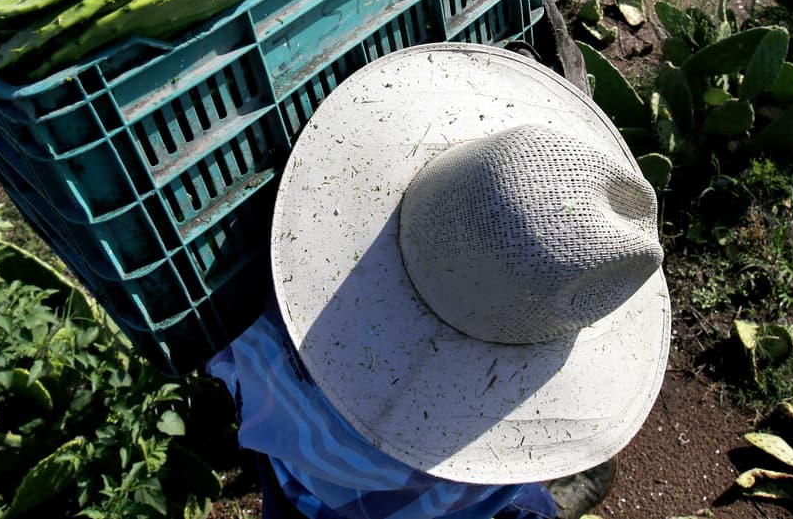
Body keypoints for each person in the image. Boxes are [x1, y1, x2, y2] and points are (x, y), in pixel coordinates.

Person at [207, 43, 671, 519]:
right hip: (468, 502)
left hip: (306, 494)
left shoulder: (261, 335)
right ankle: (543, 499)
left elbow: (220, 354)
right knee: (511, 500)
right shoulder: (475, 453)